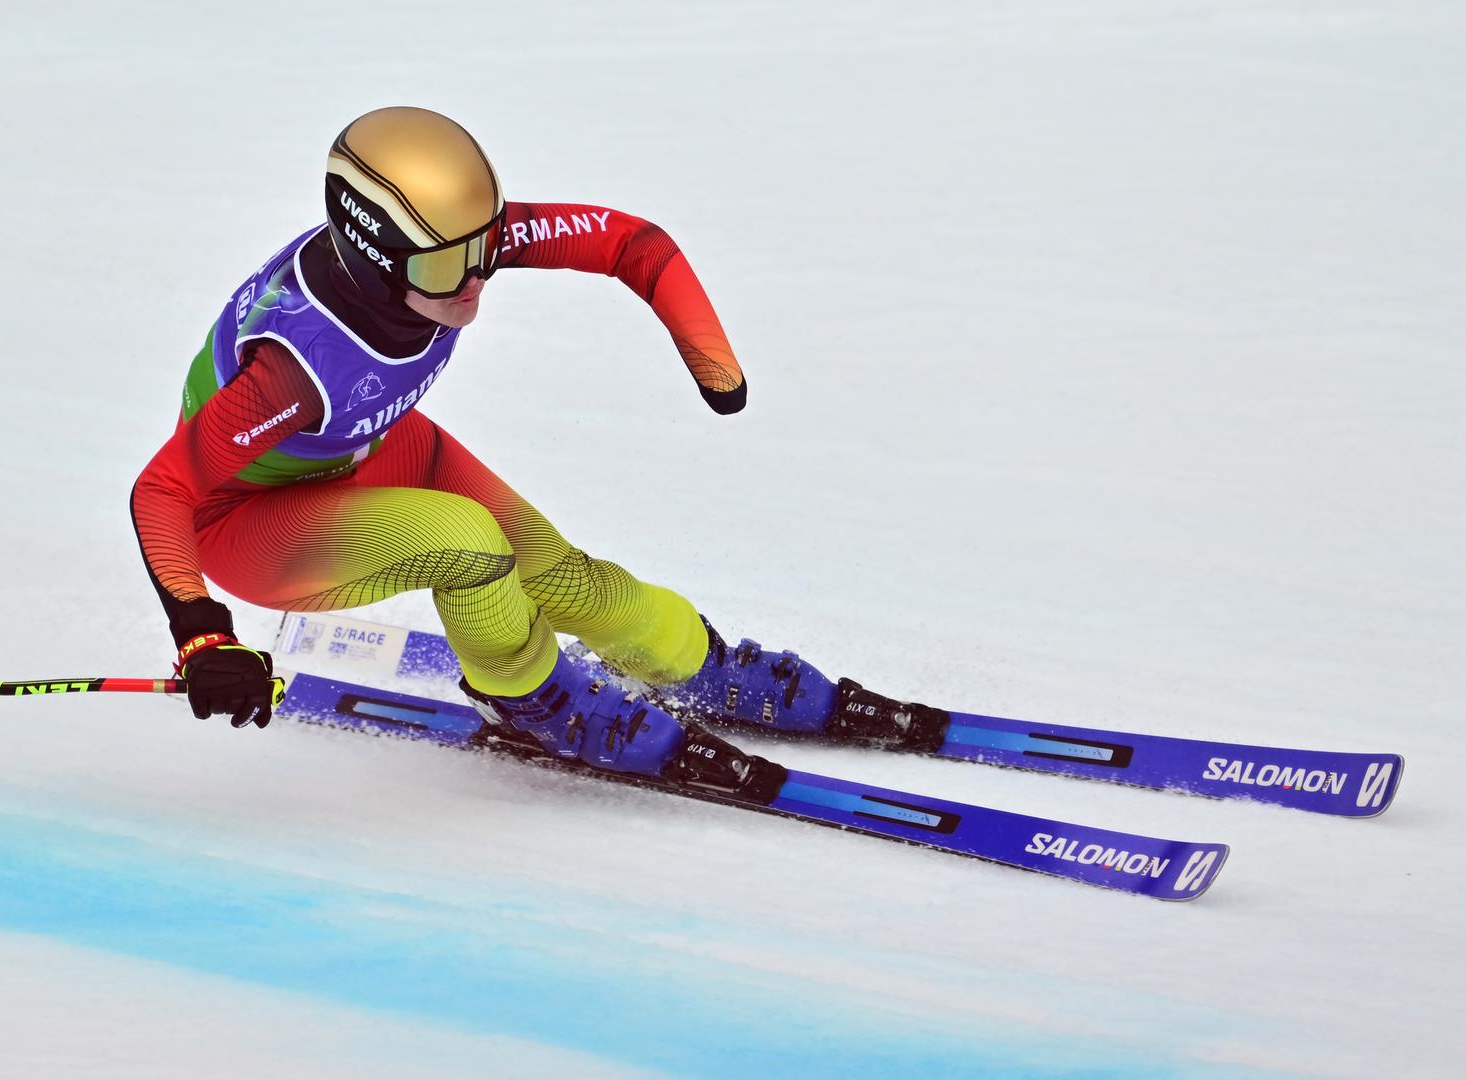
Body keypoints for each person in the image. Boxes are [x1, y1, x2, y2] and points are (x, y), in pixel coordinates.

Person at [131, 107, 939, 804]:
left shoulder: (444, 249)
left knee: (559, 569)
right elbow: (163, 490)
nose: (476, 280)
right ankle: (529, 697)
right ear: (373, 263)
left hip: (357, 448)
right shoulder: (295, 371)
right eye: (449, 266)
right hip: (244, 521)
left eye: (488, 248)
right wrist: (203, 634)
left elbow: (631, 243)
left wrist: (709, 357)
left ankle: (695, 663)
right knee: (472, 545)